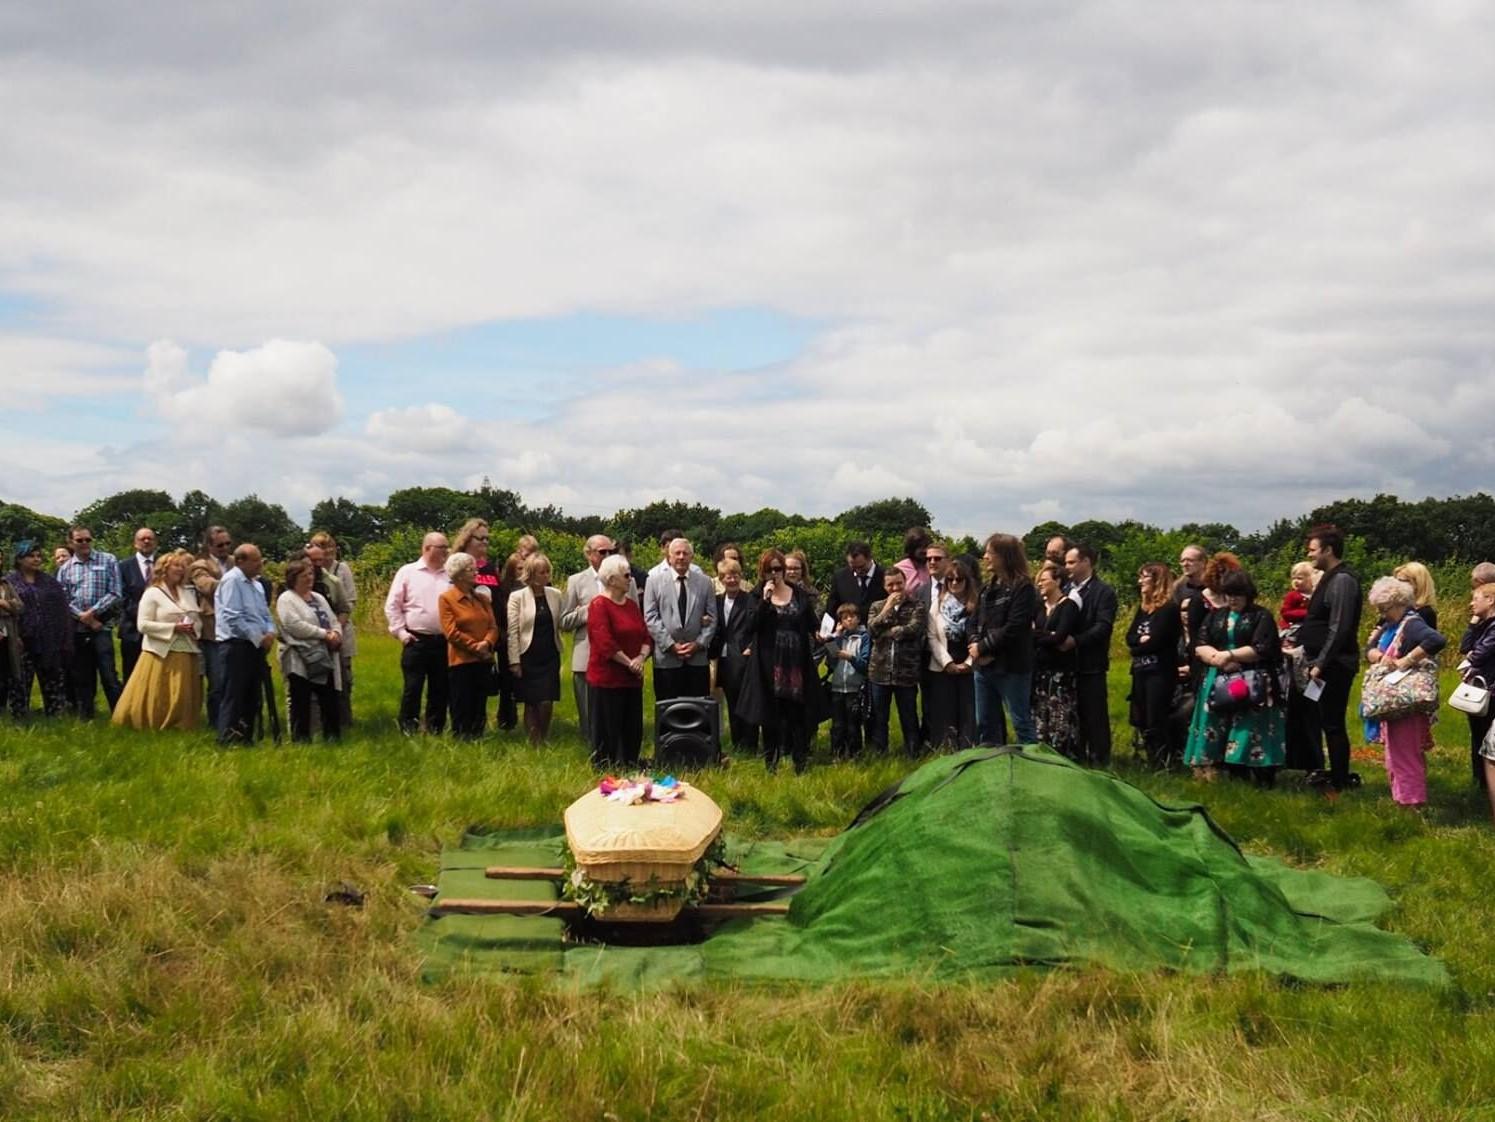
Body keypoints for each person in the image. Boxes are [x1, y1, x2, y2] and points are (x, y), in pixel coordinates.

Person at [1183, 570, 1286, 786]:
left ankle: (1258, 774)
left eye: (1238, 594)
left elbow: (1263, 647)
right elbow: (1200, 643)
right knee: (1214, 722)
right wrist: (1217, 659)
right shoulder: (1215, 615)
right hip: (1216, 676)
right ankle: (1216, 770)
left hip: (1252, 679)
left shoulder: (1261, 615)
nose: (1233, 599)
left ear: (1248, 594)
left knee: (1250, 725)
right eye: (1229, 594)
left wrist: (1230, 655)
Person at [736, 549, 827, 772]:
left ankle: (800, 761)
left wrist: (821, 633)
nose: (775, 574)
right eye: (770, 570)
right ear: (763, 571)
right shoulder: (757, 595)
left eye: (779, 569)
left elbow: (812, 622)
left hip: (796, 661)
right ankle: (771, 763)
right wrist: (766, 601)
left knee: (797, 713)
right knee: (771, 715)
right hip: (769, 662)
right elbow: (751, 626)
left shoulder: (798, 593)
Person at [1363, 576, 1446, 807]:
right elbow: (1368, 650)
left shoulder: (1412, 624)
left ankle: (1412, 804)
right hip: (1395, 702)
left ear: (1399, 603)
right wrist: (1379, 656)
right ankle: (1402, 799)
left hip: (1405, 702)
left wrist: (1406, 660)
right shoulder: (1391, 625)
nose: (1382, 613)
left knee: (1405, 755)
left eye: (1385, 608)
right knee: (1395, 755)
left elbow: (1436, 639)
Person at [1298, 525, 1363, 792]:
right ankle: (1330, 772)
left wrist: (1321, 663)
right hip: (1320, 664)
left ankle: (1339, 781)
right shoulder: (1328, 577)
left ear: (1328, 549)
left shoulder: (1342, 581)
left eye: (1313, 550)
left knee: (1333, 723)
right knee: (1323, 721)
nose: (1310, 555)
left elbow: (1340, 627)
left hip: (1335, 666)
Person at [112, 549, 203, 730]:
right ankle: (152, 722)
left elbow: (197, 618)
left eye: (183, 566)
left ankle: (181, 724)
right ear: (164, 568)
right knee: (159, 692)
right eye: (176, 566)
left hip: (187, 650)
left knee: (183, 693)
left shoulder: (186, 592)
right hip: (160, 652)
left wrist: (194, 629)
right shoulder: (152, 593)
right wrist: (173, 628)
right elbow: (143, 625)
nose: (180, 569)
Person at [969, 534, 1037, 745]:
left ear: (1004, 556)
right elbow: (973, 621)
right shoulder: (987, 589)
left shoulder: (1023, 587)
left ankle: (1033, 770)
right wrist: (975, 646)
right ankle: (989, 768)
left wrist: (983, 647)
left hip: (1012, 667)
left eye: (989, 552)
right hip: (984, 668)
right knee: (985, 723)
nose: (985, 557)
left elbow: (1015, 627)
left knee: (1020, 722)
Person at [586, 554, 651, 766]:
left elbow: (645, 635)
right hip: (607, 679)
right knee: (608, 728)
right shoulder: (598, 605)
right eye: (626, 575)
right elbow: (604, 642)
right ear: (612, 579)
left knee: (631, 727)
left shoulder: (631, 605)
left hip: (632, 679)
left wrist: (641, 657)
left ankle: (630, 764)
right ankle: (606, 768)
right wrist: (629, 663)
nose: (630, 579)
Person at [560, 534, 626, 745]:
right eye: (602, 552)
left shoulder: (626, 579)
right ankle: (593, 751)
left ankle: (618, 748)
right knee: (589, 712)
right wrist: (588, 611)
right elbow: (564, 621)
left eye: (611, 552)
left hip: (619, 654)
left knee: (617, 709)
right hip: (586, 655)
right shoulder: (576, 581)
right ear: (588, 554)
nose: (608, 556)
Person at [384, 533, 452, 735]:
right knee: (413, 688)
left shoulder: (449, 575)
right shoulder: (408, 572)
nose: (446, 552)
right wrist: (401, 633)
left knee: (440, 688)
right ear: (428, 548)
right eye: (442, 547)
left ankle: (435, 728)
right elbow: (392, 605)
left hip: (443, 641)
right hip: (416, 640)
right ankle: (408, 727)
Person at [56, 525, 123, 718]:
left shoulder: (108, 559)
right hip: (78, 628)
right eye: (80, 540)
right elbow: (63, 599)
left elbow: (116, 592)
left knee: (109, 674)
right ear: (71, 543)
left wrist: (93, 612)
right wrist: (83, 616)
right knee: (83, 675)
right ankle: (87, 716)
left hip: (102, 626)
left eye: (88, 539)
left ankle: (119, 715)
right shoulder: (65, 568)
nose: (85, 543)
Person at [276, 559, 343, 743]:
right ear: (293, 578)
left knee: (329, 699)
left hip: (324, 656)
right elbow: (294, 625)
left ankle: (332, 738)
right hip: (300, 658)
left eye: (311, 574)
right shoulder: (287, 599)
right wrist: (323, 634)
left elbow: (333, 618)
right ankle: (301, 740)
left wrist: (336, 633)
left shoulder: (318, 598)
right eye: (304, 575)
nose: (309, 578)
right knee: (300, 700)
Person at [215, 544, 275, 744]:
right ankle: (229, 737)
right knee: (234, 694)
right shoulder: (232, 581)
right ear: (240, 561)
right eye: (256, 560)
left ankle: (246, 736)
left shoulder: (257, 585)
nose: (260, 564)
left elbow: (264, 613)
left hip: (255, 647)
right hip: (235, 645)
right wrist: (259, 638)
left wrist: (270, 632)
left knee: (252, 694)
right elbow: (233, 617)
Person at [643, 538, 716, 701]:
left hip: (697, 659)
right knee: (668, 709)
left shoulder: (705, 582)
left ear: (691, 557)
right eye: (677, 553)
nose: (681, 557)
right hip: (667, 659)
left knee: (697, 710)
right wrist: (670, 645)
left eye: (686, 553)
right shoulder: (653, 582)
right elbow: (650, 616)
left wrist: (698, 644)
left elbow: (712, 618)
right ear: (669, 557)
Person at [5, 540, 71, 718]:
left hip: (48, 640)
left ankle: (55, 715)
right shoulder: (8, 582)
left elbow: (62, 610)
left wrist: (63, 637)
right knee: (20, 681)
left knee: (52, 678)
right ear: (19, 559)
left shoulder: (49, 582)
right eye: (31, 556)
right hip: (21, 639)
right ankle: (19, 717)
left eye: (38, 556)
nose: (36, 559)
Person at [1065, 543, 1118, 765]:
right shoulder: (1066, 589)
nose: (1066, 567)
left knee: (1094, 714)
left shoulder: (1103, 592)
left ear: (1086, 562)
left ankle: (1099, 760)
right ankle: (1075, 755)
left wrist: (1075, 641)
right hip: (1066, 664)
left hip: (1091, 664)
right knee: (1072, 714)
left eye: (1071, 562)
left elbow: (1103, 627)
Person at [1126, 563, 1182, 768]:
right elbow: (1129, 637)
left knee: (1156, 717)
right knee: (1141, 716)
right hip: (1140, 670)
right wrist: (1140, 642)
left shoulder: (1168, 610)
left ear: (1157, 581)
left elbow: (1158, 641)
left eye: (1145, 577)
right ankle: (1150, 758)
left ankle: (1162, 761)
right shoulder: (1143, 610)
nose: (1140, 581)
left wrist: (1139, 645)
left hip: (1159, 672)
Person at [439, 551, 498, 740]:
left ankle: (478, 737)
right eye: (470, 569)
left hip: (483, 660)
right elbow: (451, 632)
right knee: (461, 703)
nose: (475, 572)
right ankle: (461, 739)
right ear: (458, 574)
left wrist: (487, 643)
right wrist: (475, 647)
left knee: (479, 703)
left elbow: (493, 626)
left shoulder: (483, 599)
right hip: (461, 661)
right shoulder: (447, 599)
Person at [867, 566, 926, 755]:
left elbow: (914, 629)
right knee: (879, 716)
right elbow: (871, 630)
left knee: (908, 715)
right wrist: (887, 609)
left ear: (905, 582)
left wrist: (888, 632)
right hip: (880, 671)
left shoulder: (917, 605)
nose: (895, 588)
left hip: (906, 671)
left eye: (899, 583)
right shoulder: (877, 606)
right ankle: (880, 753)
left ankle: (912, 752)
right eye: (890, 585)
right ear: (885, 587)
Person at [507, 552, 563, 744]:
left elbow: (562, 622)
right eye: (541, 572)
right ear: (530, 574)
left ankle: (544, 736)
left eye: (548, 571)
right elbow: (512, 630)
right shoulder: (517, 597)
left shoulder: (555, 595)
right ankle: (534, 741)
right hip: (528, 655)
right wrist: (514, 660)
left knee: (547, 700)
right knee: (531, 702)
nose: (546, 576)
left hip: (550, 654)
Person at [925, 556, 976, 750]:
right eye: (950, 579)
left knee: (968, 711)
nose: (955, 583)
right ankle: (946, 747)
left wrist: (968, 663)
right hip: (942, 666)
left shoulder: (975, 605)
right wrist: (947, 663)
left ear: (966, 581)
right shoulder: (937, 605)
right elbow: (931, 636)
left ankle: (968, 746)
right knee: (944, 710)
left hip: (969, 666)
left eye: (959, 579)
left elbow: (980, 635)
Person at [708, 557, 759, 753]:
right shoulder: (716, 601)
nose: (732, 580)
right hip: (724, 659)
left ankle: (751, 744)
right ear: (721, 579)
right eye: (728, 576)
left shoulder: (751, 600)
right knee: (732, 701)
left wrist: (752, 646)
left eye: (735, 575)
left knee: (748, 701)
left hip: (744, 657)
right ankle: (738, 744)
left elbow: (758, 628)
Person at [1032, 561, 1081, 760]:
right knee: (1040, 713)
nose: (1040, 584)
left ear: (1057, 580)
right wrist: (1046, 635)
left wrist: (1041, 635)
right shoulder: (1039, 607)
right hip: (1041, 670)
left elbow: (1060, 637)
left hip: (1061, 672)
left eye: (1044, 580)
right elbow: (1031, 635)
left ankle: (1062, 754)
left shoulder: (1068, 606)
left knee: (1060, 715)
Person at [191, 526, 234, 728]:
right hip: (212, 631)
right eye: (220, 545)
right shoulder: (200, 565)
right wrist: (235, 583)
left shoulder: (236, 561)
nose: (225, 548)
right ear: (209, 545)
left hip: (235, 630)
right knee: (217, 682)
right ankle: (216, 723)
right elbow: (207, 587)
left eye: (228, 544)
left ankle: (234, 718)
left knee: (233, 681)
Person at [1459, 580, 1495, 789]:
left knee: (1486, 736)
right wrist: (1473, 623)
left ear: (1490, 600)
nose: (1471, 604)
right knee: (1478, 735)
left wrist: (1472, 658)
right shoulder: (1483, 625)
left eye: (1476, 599)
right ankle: (1480, 781)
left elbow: (1480, 654)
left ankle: (1485, 782)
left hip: (1490, 690)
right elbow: (1465, 647)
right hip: (1480, 688)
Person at [824, 601, 871, 758]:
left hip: (854, 688)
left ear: (858, 618)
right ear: (841, 622)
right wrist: (834, 637)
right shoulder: (840, 638)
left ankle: (854, 754)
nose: (849, 620)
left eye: (852, 617)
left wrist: (850, 658)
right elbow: (831, 661)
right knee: (837, 724)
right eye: (845, 618)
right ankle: (837, 754)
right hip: (837, 687)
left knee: (853, 724)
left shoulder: (863, 638)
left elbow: (865, 664)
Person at [116, 526, 158, 683]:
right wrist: (143, 617)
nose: (146, 541)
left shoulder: (164, 564)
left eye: (150, 538)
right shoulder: (123, 567)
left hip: (159, 630)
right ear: (135, 543)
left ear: (155, 542)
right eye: (142, 539)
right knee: (132, 674)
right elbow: (122, 596)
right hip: (132, 630)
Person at [828, 542, 885, 626]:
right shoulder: (840, 577)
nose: (858, 571)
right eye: (853, 567)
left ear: (870, 558)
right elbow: (831, 608)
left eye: (861, 567)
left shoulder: (885, 576)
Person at [0, 544, 20, 705]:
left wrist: (4, 604)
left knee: (6, 671)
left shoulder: (5, 583)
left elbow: (20, 606)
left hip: (7, 633)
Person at [893, 527, 933, 603]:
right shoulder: (899, 569)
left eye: (927, 547)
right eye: (921, 547)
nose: (925, 551)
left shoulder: (931, 566)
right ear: (912, 548)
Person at [1393, 561, 1438, 628]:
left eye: (1403, 581)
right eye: (1397, 581)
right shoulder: (1393, 608)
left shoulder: (1426, 613)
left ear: (1418, 584)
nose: (1397, 586)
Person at [1279, 561, 1317, 630]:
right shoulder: (1292, 595)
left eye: (1299, 578)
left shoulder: (1315, 594)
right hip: (1292, 628)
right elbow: (1285, 613)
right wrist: (1305, 613)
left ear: (1310, 579)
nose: (1295, 581)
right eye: (1293, 578)